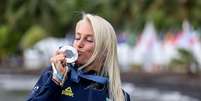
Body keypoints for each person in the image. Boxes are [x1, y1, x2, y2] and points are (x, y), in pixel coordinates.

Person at [27, 13, 130, 101]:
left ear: (105, 50)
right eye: (77, 37)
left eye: (89, 40)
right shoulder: (54, 75)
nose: (79, 44)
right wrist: (56, 80)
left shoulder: (119, 97)